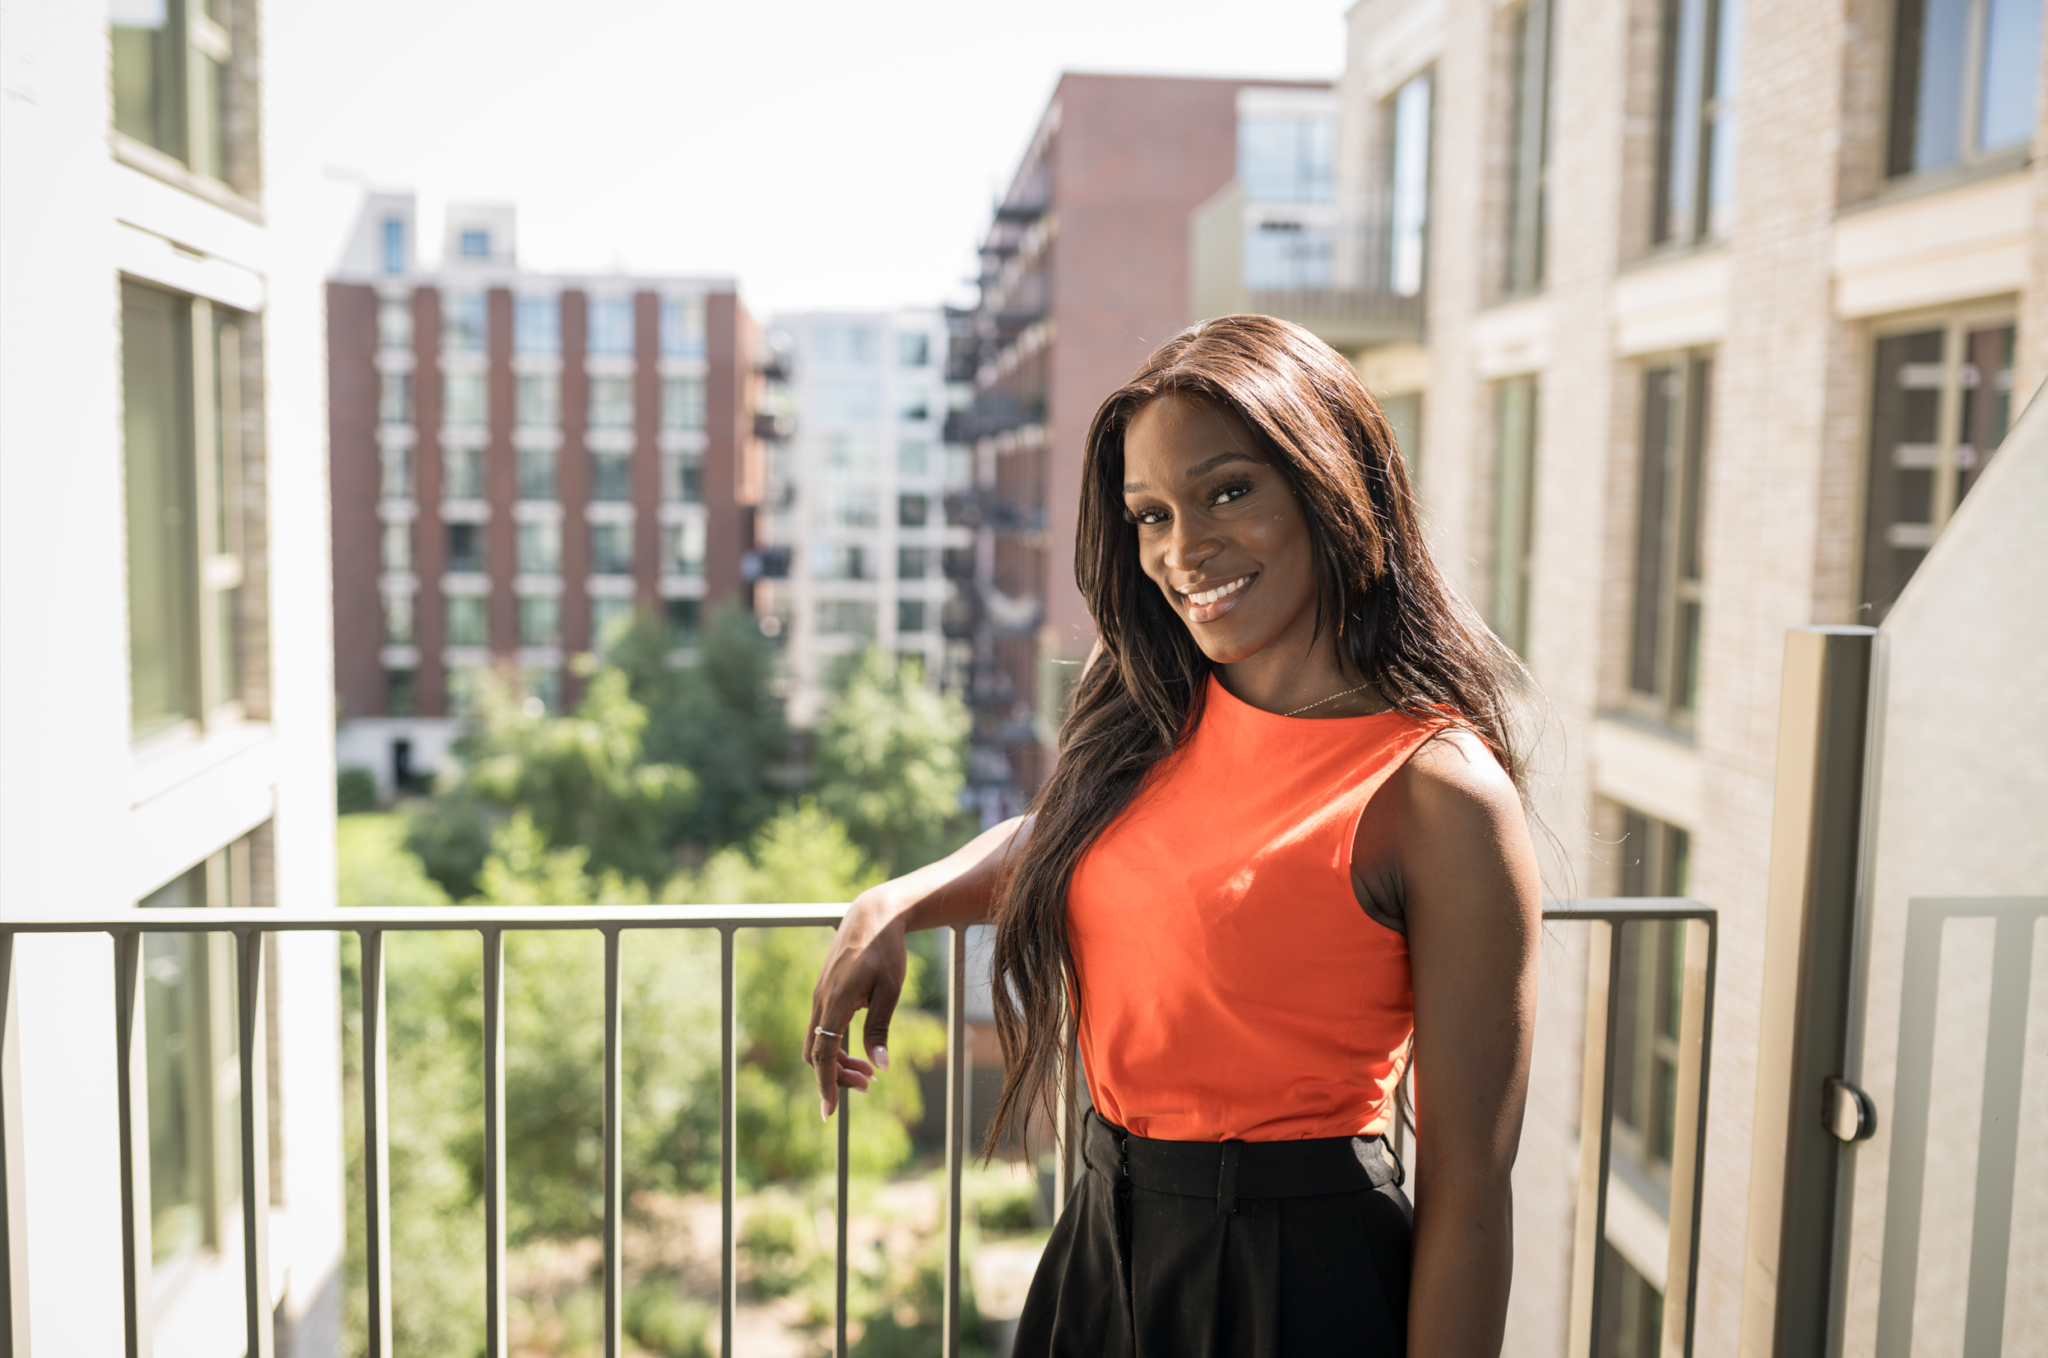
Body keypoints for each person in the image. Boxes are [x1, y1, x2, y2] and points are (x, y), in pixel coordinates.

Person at [805, 314, 1542, 1356]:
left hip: (1295, 1279)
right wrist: (898, 902)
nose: (1183, 550)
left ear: (1331, 483)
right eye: (1148, 514)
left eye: (1226, 491)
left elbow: (1470, 1189)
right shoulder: (1160, 710)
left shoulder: (1438, 793)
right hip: (1100, 1243)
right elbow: (1089, 843)